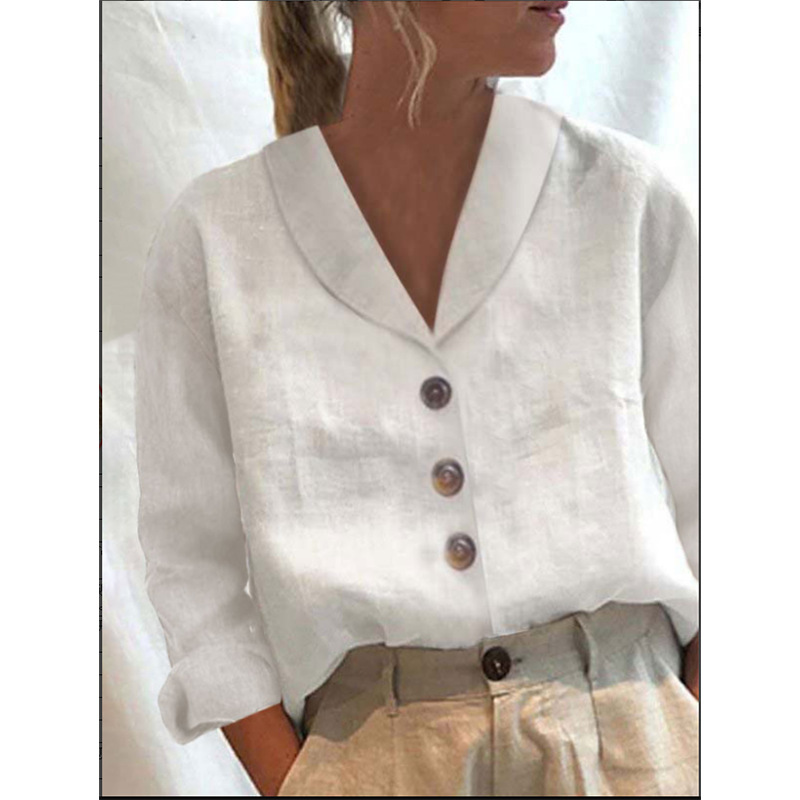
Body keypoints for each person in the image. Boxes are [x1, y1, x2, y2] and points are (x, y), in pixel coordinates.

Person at [134, 1, 699, 796]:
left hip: (638, 741)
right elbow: (191, 562)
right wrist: (303, 782)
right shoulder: (217, 238)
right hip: (376, 758)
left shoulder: (627, 198)